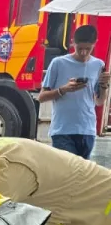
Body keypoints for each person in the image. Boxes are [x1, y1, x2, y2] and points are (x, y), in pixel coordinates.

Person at [37, 23, 110, 160]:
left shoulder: (98, 65)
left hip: (87, 130)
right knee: (66, 174)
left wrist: (104, 85)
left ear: (95, 44)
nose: (83, 53)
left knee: (81, 176)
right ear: (72, 43)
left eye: (87, 49)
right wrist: (63, 89)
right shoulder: (58, 63)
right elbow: (41, 97)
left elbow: (99, 101)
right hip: (62, 130)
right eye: (80, 48)